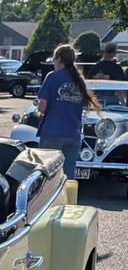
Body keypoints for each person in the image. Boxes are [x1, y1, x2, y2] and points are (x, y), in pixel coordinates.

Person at [36, 44, 99, 179]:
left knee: (47, 173)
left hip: (52, 132)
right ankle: (67, 198)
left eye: (54, 60)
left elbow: (42, 107)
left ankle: (51, 200)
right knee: (68, 174)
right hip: (73, 134)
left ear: (59, 59)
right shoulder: (79, 80)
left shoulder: (52, 76)